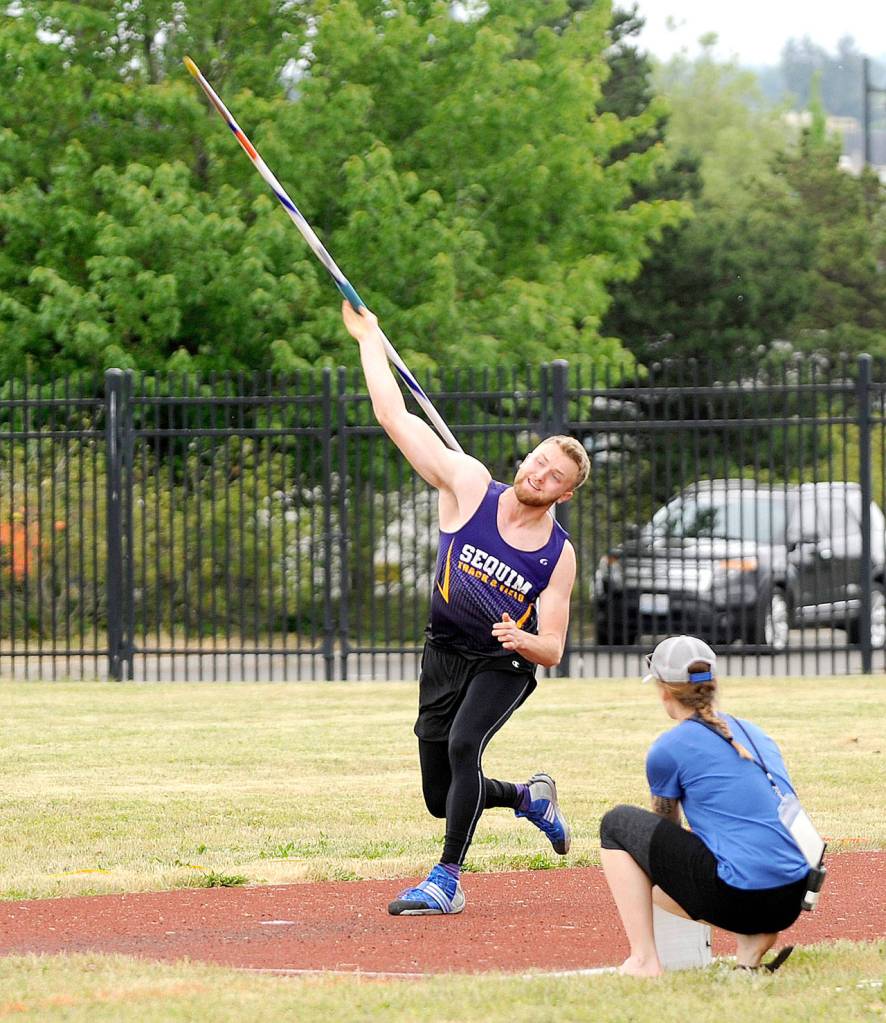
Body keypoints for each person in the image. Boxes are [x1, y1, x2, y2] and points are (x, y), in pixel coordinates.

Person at [341, 301, 589, 916]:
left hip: (501, 664)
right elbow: (392, 415)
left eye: (553, 475)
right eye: (537, 460)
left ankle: (445, 880)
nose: (538, 474)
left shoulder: (557, 555)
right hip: (443, 652)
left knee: (463, 746)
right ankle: (529, 799)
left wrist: (520, 638)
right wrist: (370, 339)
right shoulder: (470, 485)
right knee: (440, 791)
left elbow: (553, 650)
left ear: (566, 492)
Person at [599, 635, 811, 976]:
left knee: (617, 825)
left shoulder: (667, 748)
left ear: (664, 690)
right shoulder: (755, 732)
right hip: (793, 897)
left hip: (742, 898)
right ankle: (751, 943)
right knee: (740, 848)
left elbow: (665, 832)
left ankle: (644, 959)